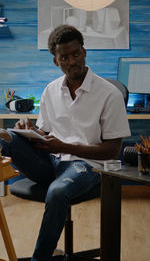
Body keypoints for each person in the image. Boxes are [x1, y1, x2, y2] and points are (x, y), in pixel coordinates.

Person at [0, 25, 130, 261]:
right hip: (51, 161)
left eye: (76, 54)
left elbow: (113, 150)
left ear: (84, 52)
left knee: (57, 191)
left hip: (87, 166)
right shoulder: (51, 90)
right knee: (4, 135)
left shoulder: (109, 94)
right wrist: (30, 131)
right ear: (55, 61)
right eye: (65, 57)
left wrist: (64, 147)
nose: (72, 61)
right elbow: (45, 132)